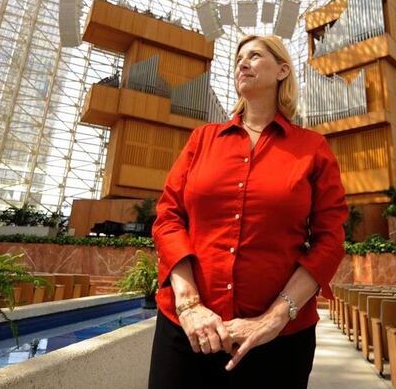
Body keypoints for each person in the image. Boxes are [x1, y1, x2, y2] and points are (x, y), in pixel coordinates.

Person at [148, 34, 349, 388]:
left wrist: (272, 320)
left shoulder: (313, 149)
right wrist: (189, 304)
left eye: (255, 56)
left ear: (283, 70)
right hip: (186, 331)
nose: (242, 63)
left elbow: (330, 241)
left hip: (278, 342)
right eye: (239, 58)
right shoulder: (202, 140)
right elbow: (168, 218)